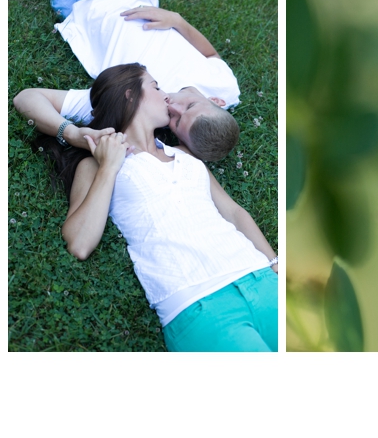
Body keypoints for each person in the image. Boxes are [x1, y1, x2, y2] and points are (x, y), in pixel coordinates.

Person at [16, 62, 278, 352]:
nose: (166, 95)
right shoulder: (96, 164)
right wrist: (107, 165)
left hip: (263, 281)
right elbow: (79, 243)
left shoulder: (185, 154)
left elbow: (233, 212)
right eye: (156, 86)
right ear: (130, 94)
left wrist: (274, 261)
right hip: (199, 306)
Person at [19, 0, 240, 161]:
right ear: (217, 101)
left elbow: (28, 98)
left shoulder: (136, 103)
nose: (172, 105)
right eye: (189, 106)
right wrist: (178, 21)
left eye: (175, 120)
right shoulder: (225, 88)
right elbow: (211, 55)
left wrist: (71, 134)